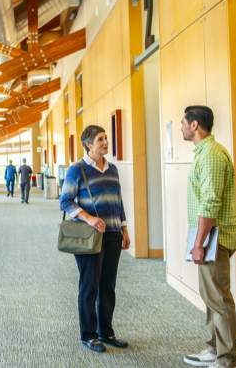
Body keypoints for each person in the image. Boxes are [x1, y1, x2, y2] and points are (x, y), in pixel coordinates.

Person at [59, 125, 130, 354]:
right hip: (89, 237)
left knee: (108, 286)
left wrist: (124, 228)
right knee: (89, 286)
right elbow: (66, 201)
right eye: (101, 139)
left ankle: (106, 332)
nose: (106, 143)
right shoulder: (76, 170)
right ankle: (88, 335)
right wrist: (89, 218)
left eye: (106, 138)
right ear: (89, 144)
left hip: (113, 234)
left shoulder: (113, 169)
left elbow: (117, 201)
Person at [181, 106, 236, 368]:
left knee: (219, 300)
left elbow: (210, 203)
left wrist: (198, 244)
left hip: (213, 238)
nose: (181, 126)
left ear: (195, 125)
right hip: (208, 237)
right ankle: (215, 349)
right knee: (211, 298)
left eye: (183, 122)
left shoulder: (212, 156)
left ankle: (228, 359)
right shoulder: (204, 153)